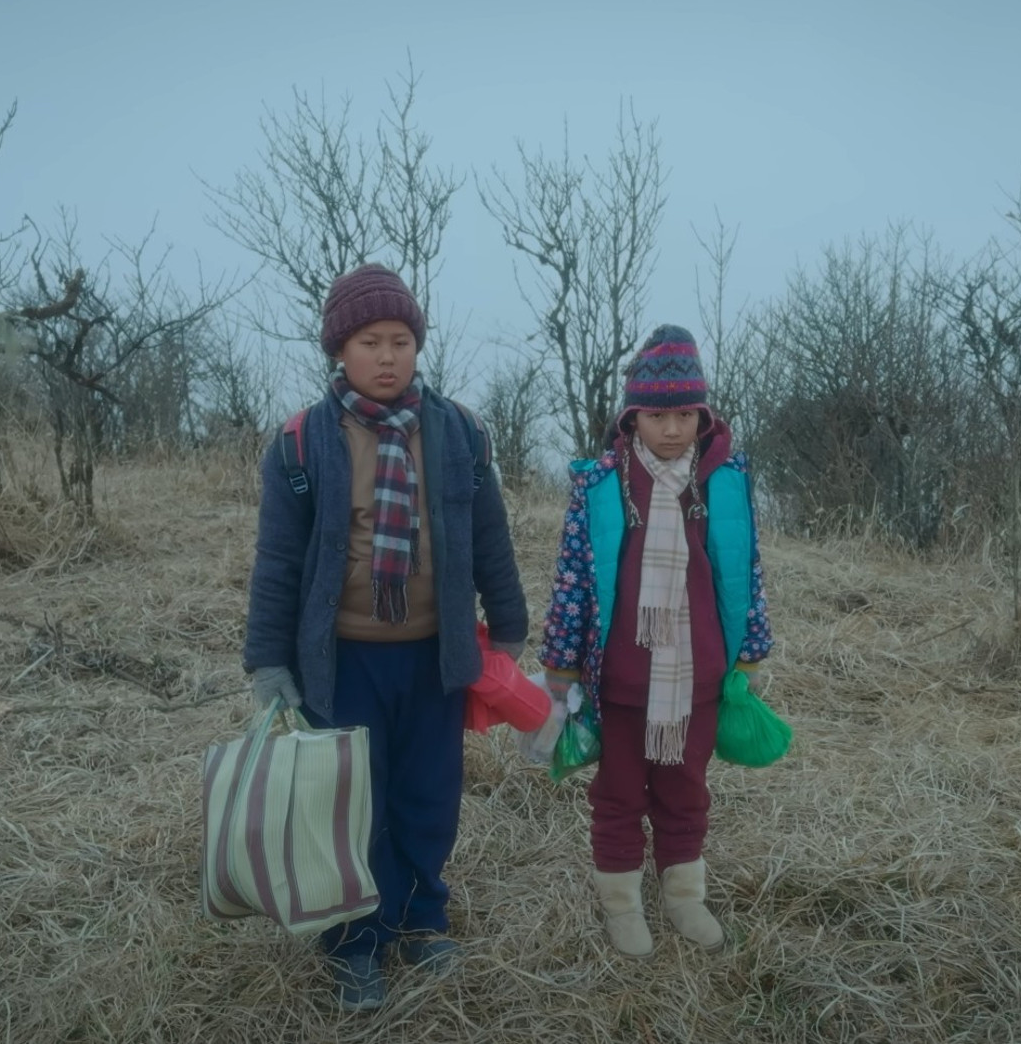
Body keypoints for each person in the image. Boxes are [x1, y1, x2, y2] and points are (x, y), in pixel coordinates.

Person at [241, 263, 529, 1012]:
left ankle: (421, 919)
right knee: (351, 807)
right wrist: (269, 661)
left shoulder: (459, 432)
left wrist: (509, 625)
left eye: (401, 340)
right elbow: (277, 562)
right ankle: (355, 943)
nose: (388, 356)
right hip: (344, 661)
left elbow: (489, 537)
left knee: (428, 797)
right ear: (340, 349)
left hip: (435, 656)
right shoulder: (302, 443)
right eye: (370, 342)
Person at [531, 324, 773, 957]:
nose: (671, 429)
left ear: (703, 415)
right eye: (657, 416)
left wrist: (751, 649)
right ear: (631, 417)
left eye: (685, 415)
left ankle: (684, 897)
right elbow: (574, 577)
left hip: (699, 675)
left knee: (685, 788)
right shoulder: (601, 485)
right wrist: (562, 664)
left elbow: (745, 569)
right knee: (617, 792)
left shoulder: (723, 481)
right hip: (621, 678)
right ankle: (622, 904)